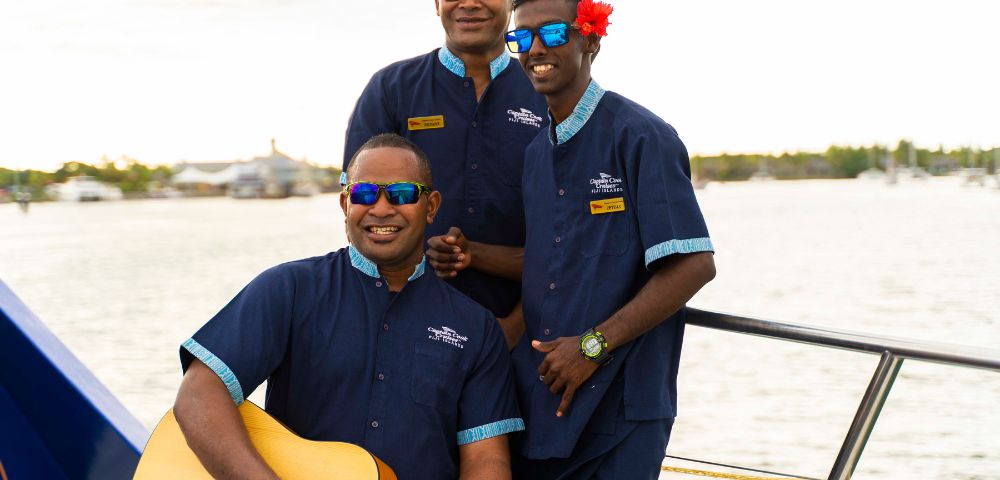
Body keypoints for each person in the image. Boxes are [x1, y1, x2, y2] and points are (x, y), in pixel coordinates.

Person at [173, 134, 523, 480]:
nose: (381, 208)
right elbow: (197, 395)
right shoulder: (289, 289)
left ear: (430, 207)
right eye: (364, 194)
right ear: (345, 206)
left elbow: (485, 461)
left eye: (401, 194)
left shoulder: (475, 328)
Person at [512, 0, 716, 477]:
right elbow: (554, 260)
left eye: (554, 34)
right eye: (521, 38)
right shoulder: (536, 154)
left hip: (624, 410)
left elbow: (694, 263)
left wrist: (592, 346)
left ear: (591, 40)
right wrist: (469, 255)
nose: (535, 48)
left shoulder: (641, 136)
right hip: (548, 406)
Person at [344, 0, 548, 334]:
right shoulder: (391, 90)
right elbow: (360, 214)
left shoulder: (546, 92)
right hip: (404, 324)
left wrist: (517, 325)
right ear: (437, 4)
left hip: (527, 336)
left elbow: (569, 231)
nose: (469, 2)